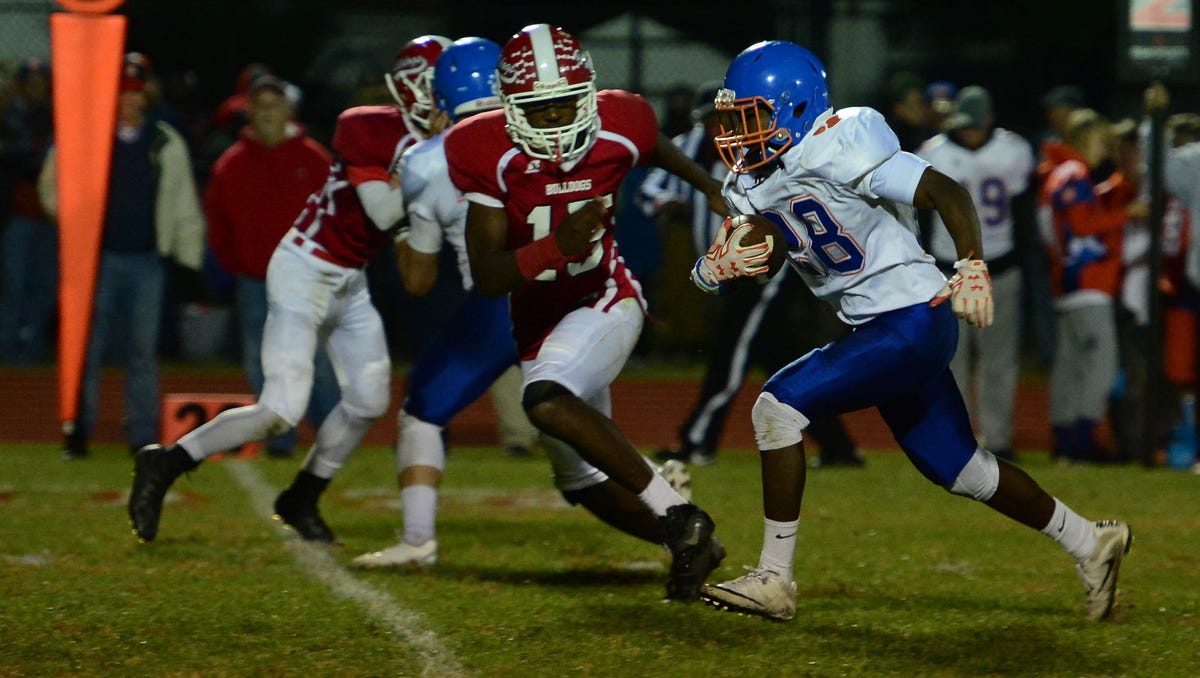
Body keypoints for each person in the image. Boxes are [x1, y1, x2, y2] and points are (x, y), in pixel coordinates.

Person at [691, 40, 1132, 622]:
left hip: (912, 317)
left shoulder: (842, 140)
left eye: (753, 117)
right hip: (882, 328)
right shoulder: (753, 182)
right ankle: (1089, 540)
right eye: (735, 118)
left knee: (778, 408)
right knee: (960, 467)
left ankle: (775, 577)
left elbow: (948, 192)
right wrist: (714, 270)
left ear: (796, 110)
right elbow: (772, 244)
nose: (739, 133)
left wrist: (971, 263)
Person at [127, 35, 454, 543]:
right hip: (304, 267)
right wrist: (435, 152)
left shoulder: (443, 142)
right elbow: (384, 211)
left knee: (368, 400)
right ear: (418, 89)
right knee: (279, 412)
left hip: (351, 278)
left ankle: (302, 496)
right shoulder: (366, 126)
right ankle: (167, 462)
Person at [441, 24, 727, 601]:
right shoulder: (484, 152)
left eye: (566, 104)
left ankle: (680, 516)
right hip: (536, 321)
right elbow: (489, 276)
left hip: (605, 299)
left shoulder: (622, 121)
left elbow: (654, 146)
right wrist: (556, 245)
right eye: (538, 110)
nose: (555, 122)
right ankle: (693, 545)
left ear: (589, 94)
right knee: (581, 481)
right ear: (510, 108)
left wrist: (711, 189)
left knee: (544, 400)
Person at [351, 37, 532, 569]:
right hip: (576, 294)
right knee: (576, 439)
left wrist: (407, 209)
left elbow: (417, 280)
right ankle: (671, 505)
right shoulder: (543, 134)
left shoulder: (430, 158)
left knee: (422, 411)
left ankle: (416, 538)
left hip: (501, 301)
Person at [641, 80, 861, 468]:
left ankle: (697, 442)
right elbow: (649, 188)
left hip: (762, 273)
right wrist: (667, 202)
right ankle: (838, 447)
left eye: (722, 120)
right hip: (727, 275)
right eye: (709, 120)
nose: (715, 129)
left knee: (728, 358)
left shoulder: (763, 149)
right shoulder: (691, 146)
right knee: (783, 363)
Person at [39, 53, 206, 459]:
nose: (127, 101)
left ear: (145, 95)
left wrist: (189, 257)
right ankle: (77, 428)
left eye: (134, 92)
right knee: (86, 348)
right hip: (96, 260)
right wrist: (74, 222)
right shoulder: (84, 135)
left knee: (142, 351)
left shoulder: (163, 141)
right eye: (121, 92)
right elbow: (52, 186)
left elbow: (183, 201)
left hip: (146, 259)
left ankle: (142, 433)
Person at [204, 74, 340, 458]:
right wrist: (238, 265)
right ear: (250, 112)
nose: (267, 114)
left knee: (315, 359)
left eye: (274, 105)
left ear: (288, 110)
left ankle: (332, 433)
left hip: (306, 279)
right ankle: (280, 437)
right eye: (260, 106)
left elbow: (337, 215)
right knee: (261, 362)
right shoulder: (231, 165)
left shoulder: (314, 159)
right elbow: (218, 224)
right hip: (255, 280)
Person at [916, 85, 1036, 461]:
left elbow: (1023, 209)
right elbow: (918, 216)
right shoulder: (933, 153)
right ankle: (958, 440)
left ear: (990, 120)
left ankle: (998, 440)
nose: (968, 132)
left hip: (999, 264)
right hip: (946, 268)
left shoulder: (1013, 150)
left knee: (999, 360)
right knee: (951, 360)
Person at [1043, 109, 1147, 463]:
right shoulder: (1072, 173)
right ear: (1088, 138)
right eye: (1104, 141)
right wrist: (1128, 214)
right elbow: (1083, 225)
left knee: (1070, 367)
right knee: (1101, 367)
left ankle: (1066, 443)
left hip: (1069, 283)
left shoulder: (1062, 173)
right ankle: (1081, 442)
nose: (1108, 150)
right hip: (1087, 282)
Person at [0, 57, 55, 365]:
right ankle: (7, 347)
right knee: (15, 285)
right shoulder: (11, 114)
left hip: (49, 216)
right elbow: (19, 158)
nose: (36, 88)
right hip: (18, 215)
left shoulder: (54, 114)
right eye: (30, 82)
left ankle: (32, 345)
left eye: (40, 82)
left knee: (43, 286)